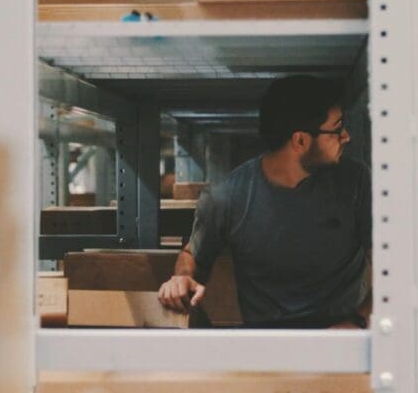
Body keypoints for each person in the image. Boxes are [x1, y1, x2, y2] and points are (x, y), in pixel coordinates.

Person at [157, 75, 372, 328]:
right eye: (337, 129)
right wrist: (181, 278)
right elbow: (193, 254)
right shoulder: (227, 198)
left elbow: (391, 269)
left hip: (345, 344)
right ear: (300, 140)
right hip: (269, 347)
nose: (346, 136)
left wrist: (357, 321)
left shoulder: (356, 182)